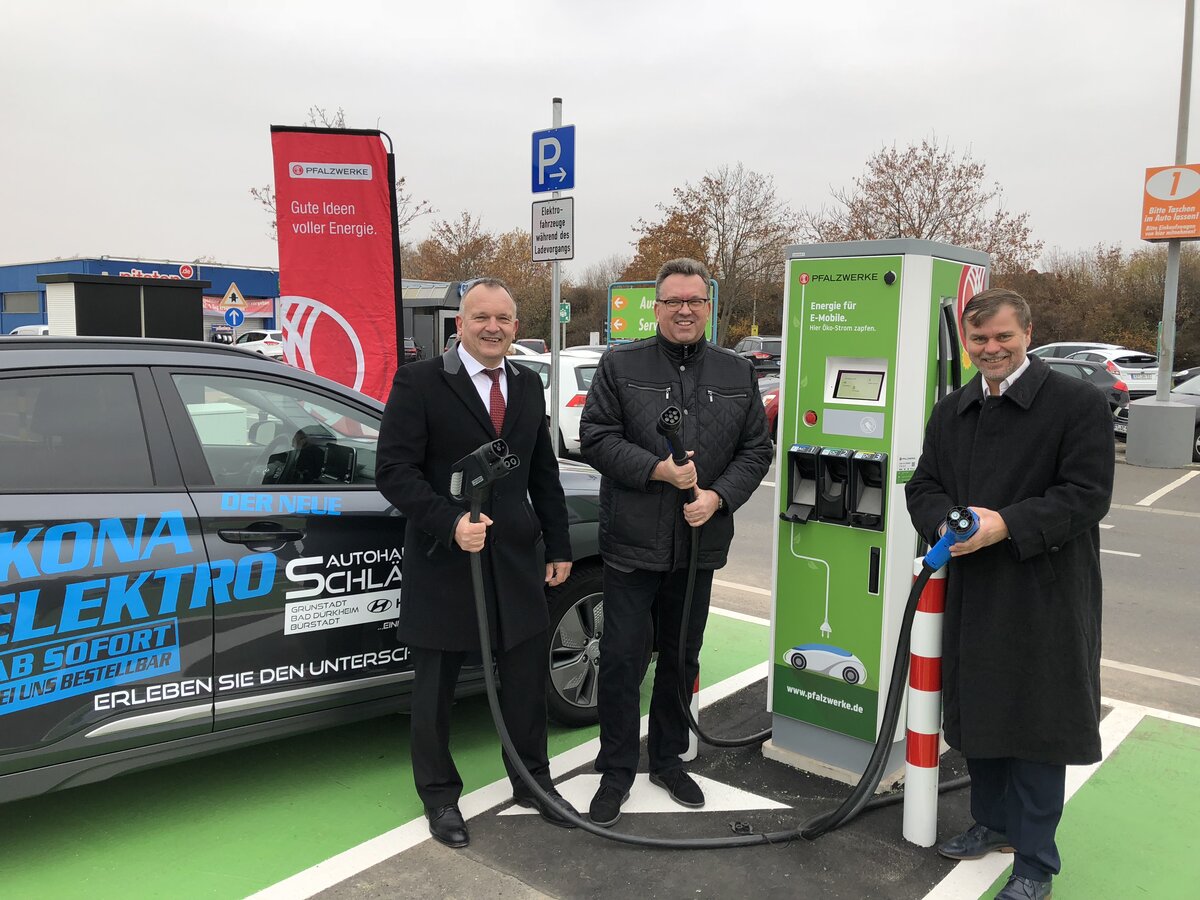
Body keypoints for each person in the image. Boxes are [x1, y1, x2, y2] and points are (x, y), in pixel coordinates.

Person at [905, 288, 1114, 900]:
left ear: (1027, 332)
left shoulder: (1075, 404)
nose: (991, 349)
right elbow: (925, 485)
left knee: (1037, 724)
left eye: (1002, 337)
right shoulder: (954, 410)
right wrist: (944, 521)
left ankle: (1034, 863)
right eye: (979, 340)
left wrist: (1005, 524)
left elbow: (1086, 494)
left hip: (1042, 592)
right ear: (966, 343)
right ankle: (992, 824)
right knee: (978, 714)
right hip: (974, 589)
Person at [376, 277, 578, 848]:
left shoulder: (527, 383)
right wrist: (449, 522)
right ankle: (439, 797)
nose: (493, 328)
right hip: (446, 559)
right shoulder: (419, 382)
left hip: (516, 558)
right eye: (481, 318)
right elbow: (393, 472)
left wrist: (559, 544)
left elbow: (543, 471)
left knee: (524, 677)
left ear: (516, 326)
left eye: (504, 319)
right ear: (459, 325)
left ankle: (532, 781)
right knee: (436, 687)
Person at [579, 258, 772, 826]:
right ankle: (615, 768)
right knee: (620, 659)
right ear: (657, 307)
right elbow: (595, 437)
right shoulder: (622, 364)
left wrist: (717, 498)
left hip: (698, 545)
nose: (685, 310)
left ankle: (665, 759)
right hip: (633, 545)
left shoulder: (737, 372)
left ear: (709, 307)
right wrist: (656, 471)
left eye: (695, 301)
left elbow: (755, 451)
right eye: (673, 302)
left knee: (681, 657)